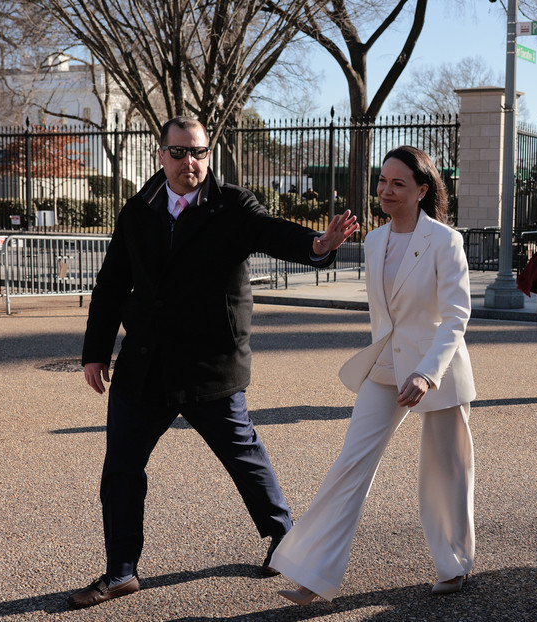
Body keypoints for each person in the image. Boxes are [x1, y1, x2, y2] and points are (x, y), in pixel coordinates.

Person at [68, 116, 359, 610]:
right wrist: (95, 351)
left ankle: (284, 543)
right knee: (120, 467)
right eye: (179, 152)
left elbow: (272, 233)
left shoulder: (233, 206)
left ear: (209, 155)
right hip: (146, 363)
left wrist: (316, 245)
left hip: (210, 365)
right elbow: (112, 283)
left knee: (242, 456)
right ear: (161, 155)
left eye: (199, 152)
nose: (190, 163)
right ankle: (120, 571)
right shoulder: (138, 210)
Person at [270, 145, 477, 604]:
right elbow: (384, 318)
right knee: (350, 464)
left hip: (436, 371)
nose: (385, 190)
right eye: (382, 181)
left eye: (398, 183)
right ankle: (314, 571)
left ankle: (454, 564)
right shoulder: (374, 241)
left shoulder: (446, 241)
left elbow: (456, 318)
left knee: (446, 471)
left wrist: (426, 374)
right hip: (385, 366)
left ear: (422, 190)